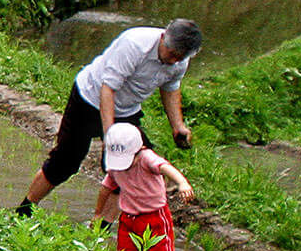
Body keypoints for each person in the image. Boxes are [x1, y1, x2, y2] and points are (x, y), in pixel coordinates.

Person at [15, 19, 201, 215]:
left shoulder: (180, 60)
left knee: (130, 168)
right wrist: (110, 135)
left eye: (179, 58)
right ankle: (25, 210)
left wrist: (178, 126)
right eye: (171, 54)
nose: (173, 61)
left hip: (127, 109)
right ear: (163, 37)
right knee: (65, 162)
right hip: (89, 99)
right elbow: (108, 88)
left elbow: (170, 88)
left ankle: (99, 229)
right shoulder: (135, 44)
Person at [92, 122, 194, 251]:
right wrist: (98, 214)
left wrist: (182, 183)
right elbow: (106, 188)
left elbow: (166, 168)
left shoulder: (146, 157)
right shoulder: (116, 164)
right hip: (128, 221)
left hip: (155, 220)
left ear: (140, 149)